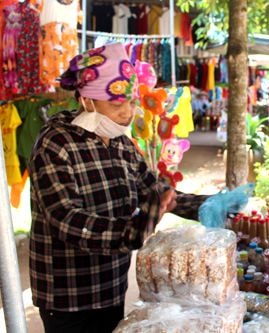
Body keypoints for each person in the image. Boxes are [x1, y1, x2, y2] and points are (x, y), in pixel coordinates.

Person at [29, 43, 178, 333]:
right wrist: (131, 231)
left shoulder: (120, 143)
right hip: (68, 295)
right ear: (87, 101)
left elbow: (154, 189)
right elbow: (65, 219)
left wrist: (203, 205)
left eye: (131, 102)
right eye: (117, 104)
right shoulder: (55, 143)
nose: (127, 113)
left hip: (111, 284)